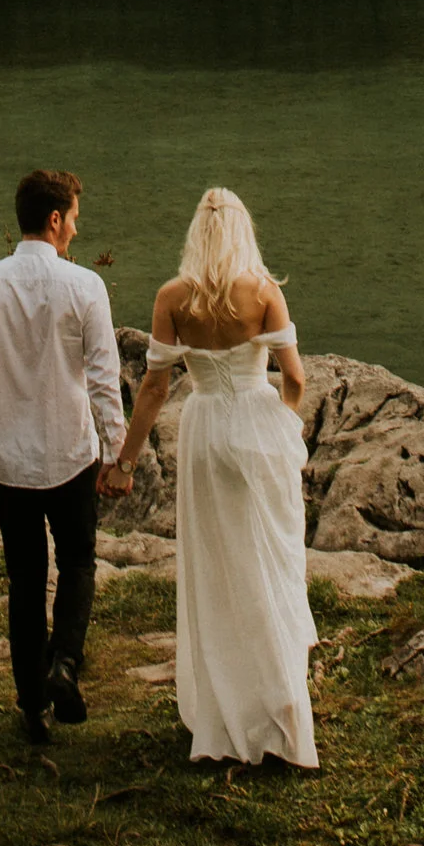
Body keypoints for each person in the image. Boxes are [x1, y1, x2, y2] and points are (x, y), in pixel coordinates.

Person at [102, 185, 317, 770]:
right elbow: (292, 377)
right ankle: (281, 713)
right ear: (244, 232)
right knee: (269, 563)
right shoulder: (264, 293)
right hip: (256, 424)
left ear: (196, 235)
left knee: (217, 567)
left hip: (204, 432)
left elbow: (152, 387)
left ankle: (223, 716)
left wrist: (125, 463)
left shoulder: (173, 297)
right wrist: (284, 425)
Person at [0, 167, 125, 745]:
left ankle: (31, 708)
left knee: (25, 577)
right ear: (54, 219)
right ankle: (64, 664)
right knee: (77, 563)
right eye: (73, 217)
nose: (76, 227)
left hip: (6, 458)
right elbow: (103, 378)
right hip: (71, 455)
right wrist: (117, 451)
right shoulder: (85, 287)